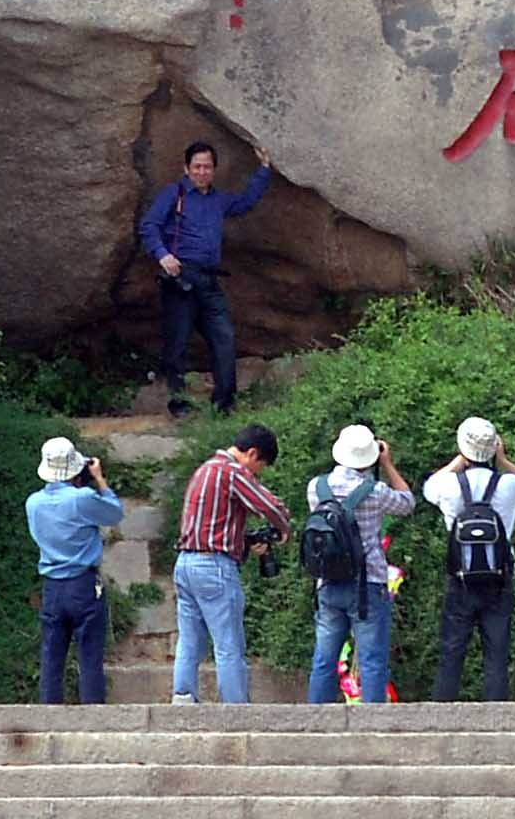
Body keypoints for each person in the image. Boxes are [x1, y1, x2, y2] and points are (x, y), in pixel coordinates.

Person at [139, 140, 274, 418]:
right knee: (178, 343)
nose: (202, 172)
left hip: (209, 281)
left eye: (207, 167)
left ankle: (224, 405)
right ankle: (179, 405)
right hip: (180, 278)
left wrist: (264, 169)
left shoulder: (218, 199)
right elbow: (149, 225)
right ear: (186, 168)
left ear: (214, 170)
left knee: (224, 338)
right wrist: (162, 254)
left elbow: (246, 202)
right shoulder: (174, 194)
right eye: (197, 166)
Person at [422, 416, 515, 701]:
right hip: (499, 577)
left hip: (460, 577)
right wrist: (503, 461)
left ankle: (442, 712)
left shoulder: (449, 485)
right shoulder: (509, 485)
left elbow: (428, 489)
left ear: (463, 448)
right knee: (497, 652)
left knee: (452, 650)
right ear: (494, 447)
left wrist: (458, 461)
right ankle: (496, 715)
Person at [170, 422, 290, 703]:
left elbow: (212, 525)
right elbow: (269, 506)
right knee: (228, 645)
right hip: (214, 566)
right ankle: (235, 709)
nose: (256, 473)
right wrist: (284, 528)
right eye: (260, 466)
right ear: (251, 453)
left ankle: (183, 701)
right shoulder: (232, 472)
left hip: (186, 563)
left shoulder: (204, 469)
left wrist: (245, 540)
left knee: (189, 641)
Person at [305, 424, 416, 705]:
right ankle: (371, 723)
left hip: (328, 583)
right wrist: (388, 465)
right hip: (368, 584)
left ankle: (316, 718)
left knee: (324, 658)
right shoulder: (376, 491)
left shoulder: (317, 488)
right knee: (372, 659)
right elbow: (407, 503)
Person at [25, 436, 124, 703]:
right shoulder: (82, 499)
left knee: (51, 657)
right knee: (90, 656)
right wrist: (100, 479)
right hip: (83, 584)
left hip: (52, 586)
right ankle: (92, 718)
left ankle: (50, 716)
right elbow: (114, 513)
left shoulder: (33, 503)